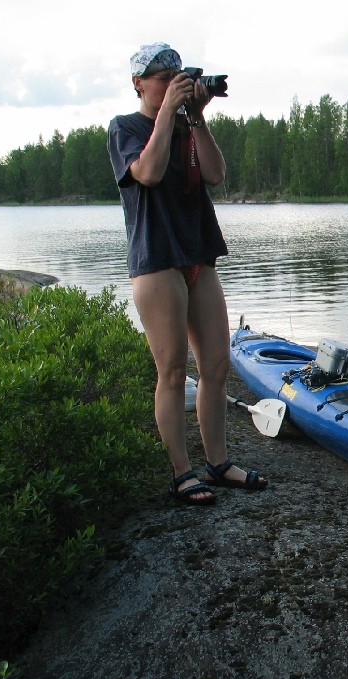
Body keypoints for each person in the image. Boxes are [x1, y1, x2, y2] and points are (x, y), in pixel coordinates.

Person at [107, 42, 266, 505]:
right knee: (173, 371)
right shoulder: (125, 127)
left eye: (177, 76)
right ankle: (182, 473)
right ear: (138, 83)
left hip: (199, 253)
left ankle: (219, 463)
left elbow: (215, 174)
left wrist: (195, 116)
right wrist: (167, 116)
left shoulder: (186, 124)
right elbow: (149, 172)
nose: (170, 83)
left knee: (216, 365)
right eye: (162, 78)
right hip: (158, 260)